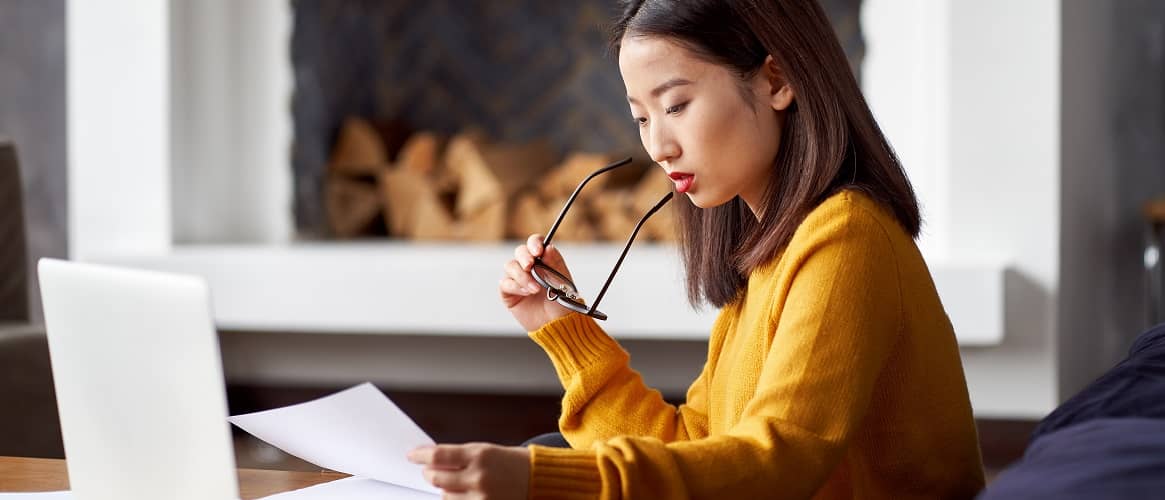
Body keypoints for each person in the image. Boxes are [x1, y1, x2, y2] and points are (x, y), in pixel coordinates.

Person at [408, 0, 986, 498]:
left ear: (777, 80)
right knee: (543, 454)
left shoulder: (847, 238)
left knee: (543, 459)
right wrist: (566, 330)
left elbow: (777, 466)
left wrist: (548, 480)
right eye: (640, 117)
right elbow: (698, 449)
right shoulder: (769, 254)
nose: (658, 145)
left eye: (677, 105)